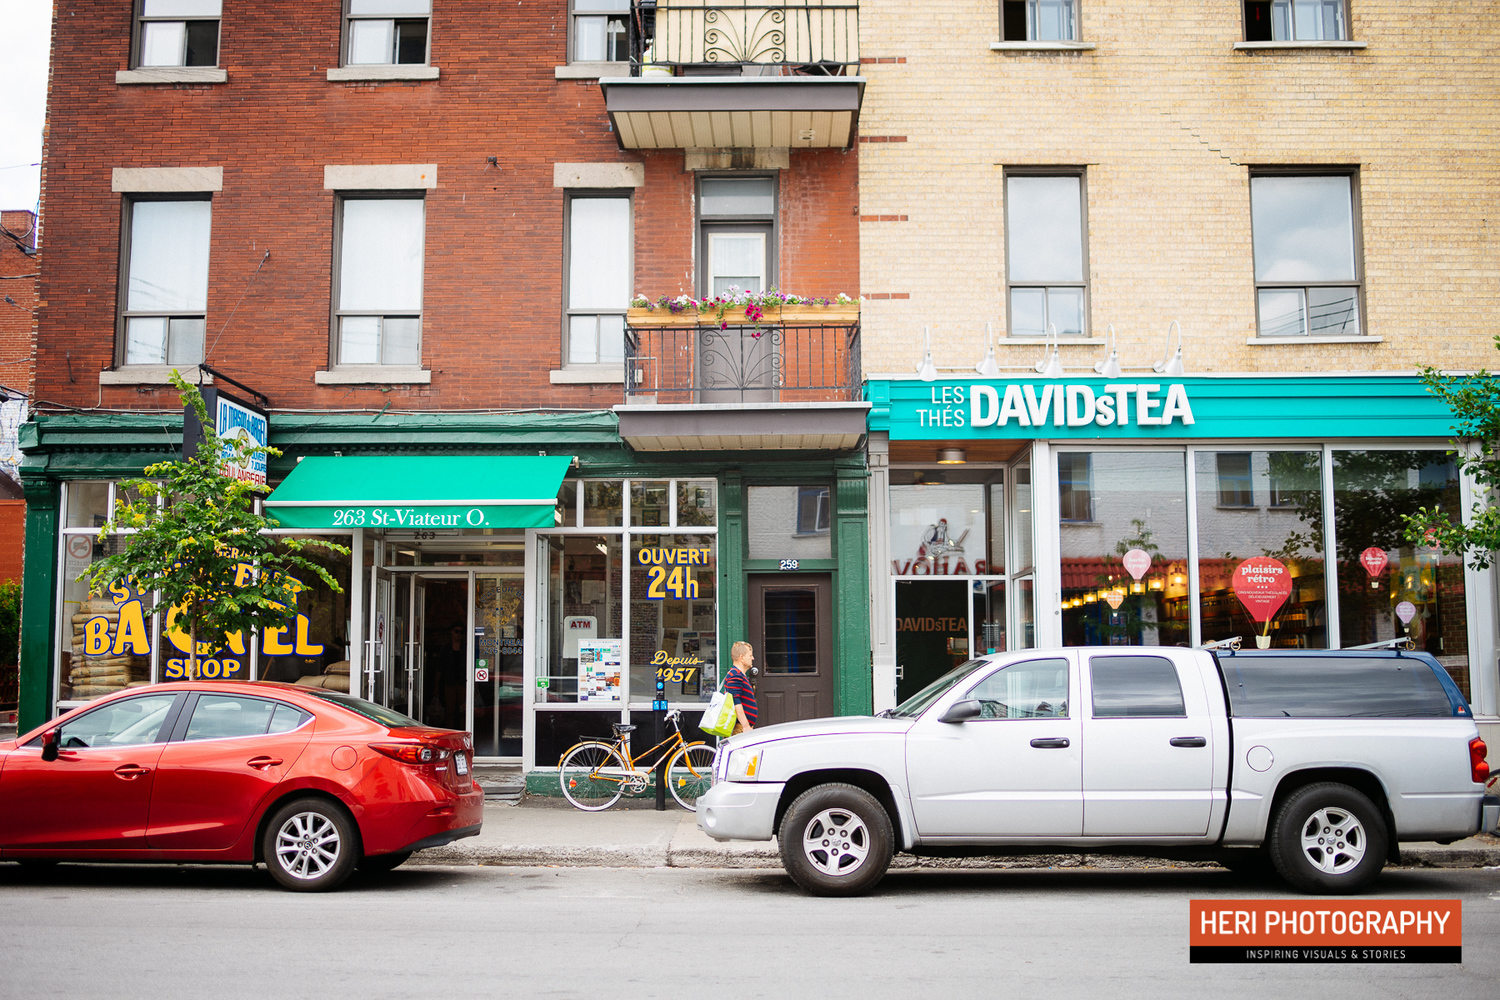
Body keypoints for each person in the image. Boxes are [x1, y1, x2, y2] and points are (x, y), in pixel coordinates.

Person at [724, 640, 758, 734]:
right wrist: (746, 726)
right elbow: (736, 703)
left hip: (741, 728)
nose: (753, 658)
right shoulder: (735, 675)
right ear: (741, 658)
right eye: (750, 656)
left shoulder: (739, 675)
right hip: (740, 729)